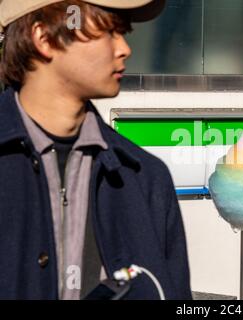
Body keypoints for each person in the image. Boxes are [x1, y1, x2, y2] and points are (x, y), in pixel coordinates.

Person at [0, 0, 191, 299]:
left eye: (123, 33)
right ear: (44, 37)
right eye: (109, 32)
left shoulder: (145, 178)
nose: (124, 48)